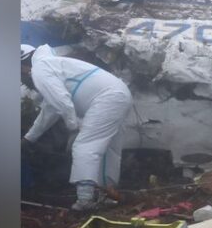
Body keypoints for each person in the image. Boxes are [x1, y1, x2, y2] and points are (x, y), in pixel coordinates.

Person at [21, 44, 133, 210]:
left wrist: (73, 125)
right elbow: (50, 110)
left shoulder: (40, 69)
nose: (23, 81)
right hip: (118, 94)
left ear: (22, 66)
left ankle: (85, 200)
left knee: (84, 146)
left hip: (108, 98)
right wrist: (29, 138)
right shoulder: (51, 65)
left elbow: (62, 101)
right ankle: (107, 195)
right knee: (107, 148)